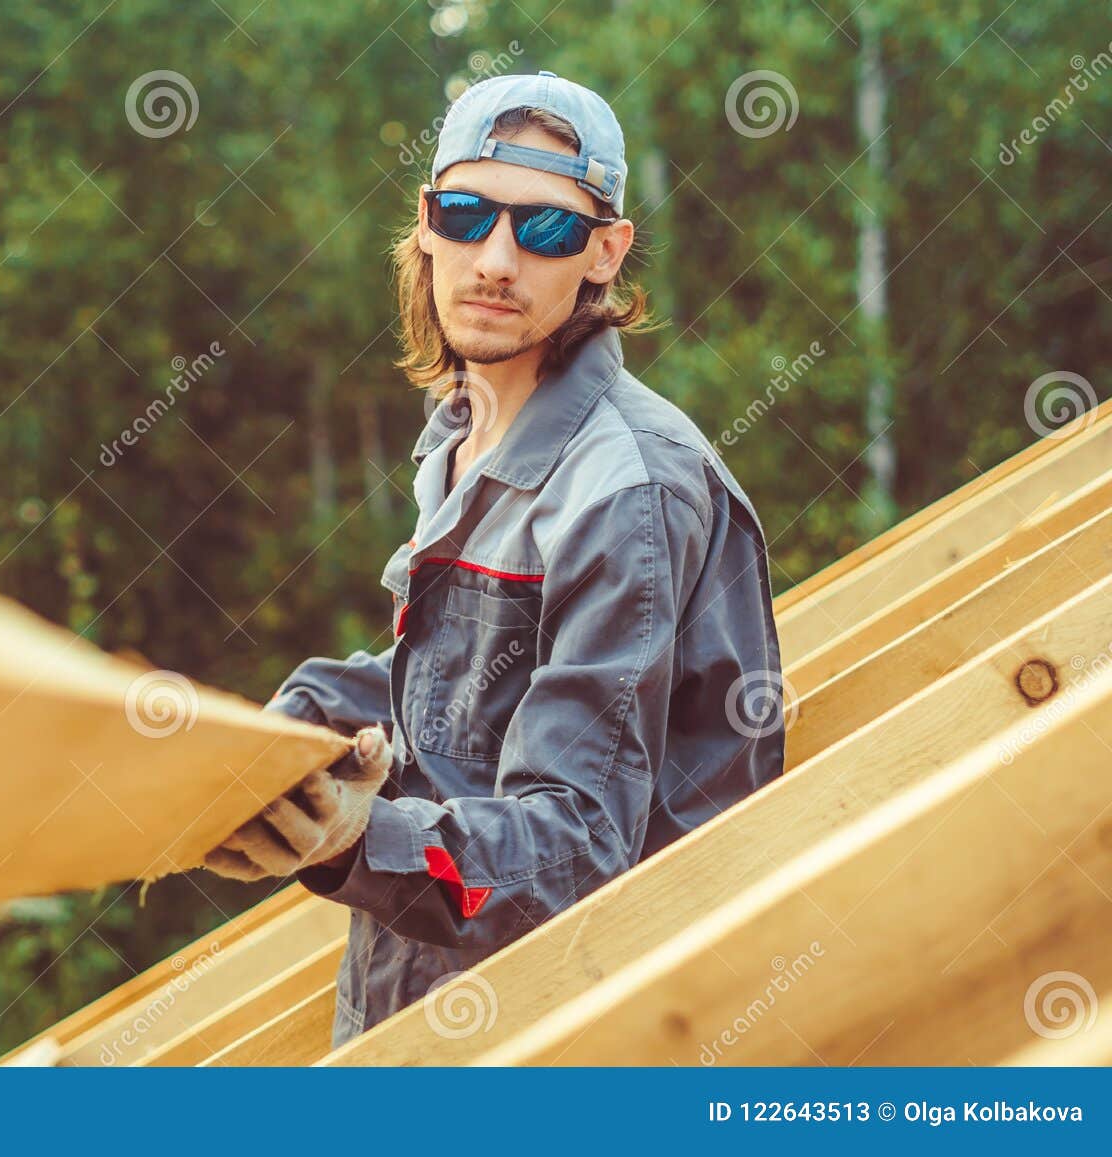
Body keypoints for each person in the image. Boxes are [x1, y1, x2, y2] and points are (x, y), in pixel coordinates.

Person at [202, 69, 787, 1047]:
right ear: (426, 224)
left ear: (605, 251)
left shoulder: (625, 488)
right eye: (466, 215)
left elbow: (577, 850)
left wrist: (357, 837)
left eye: (546, 229)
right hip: (415, 1012)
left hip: (556, 1044)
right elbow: (465, 688)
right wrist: (304, 721)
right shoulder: (468, 430)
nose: (497, 258)